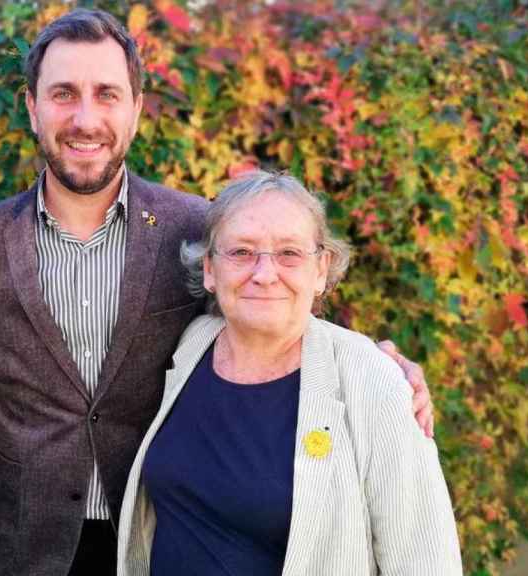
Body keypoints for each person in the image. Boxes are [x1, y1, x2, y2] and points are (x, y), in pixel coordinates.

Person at [0, 9, 435, 576]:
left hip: (158, 531)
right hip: (22, 547)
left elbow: (279, 313)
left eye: (107, 94)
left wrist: (382, 367)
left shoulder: (195, 228)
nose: (85, 118)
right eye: (63, 93)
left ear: (134, 108)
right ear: (33, 107)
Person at [117, 170, 463, 575]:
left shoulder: (372, 381)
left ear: (321, 270)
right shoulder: (191, 345)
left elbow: (425, 562)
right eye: (242, 253)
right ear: (210, 269)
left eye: (289, 254)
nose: (264, 274)